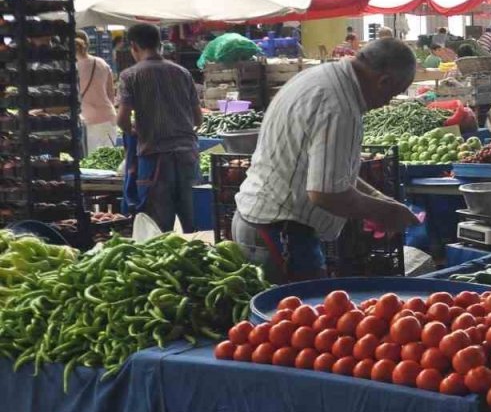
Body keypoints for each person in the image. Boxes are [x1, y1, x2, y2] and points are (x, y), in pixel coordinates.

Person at [233, 39, 419, 283]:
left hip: (259, 222)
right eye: (392, 94)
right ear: (383, 81)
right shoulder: (339, 106)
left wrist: (378, 197)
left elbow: (328, 173)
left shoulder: (320, 77)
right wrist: (386, 212)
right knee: (298, 307)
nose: (385, 103)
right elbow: (326, 193)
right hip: (279, 234)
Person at [116, 24, 202, 233]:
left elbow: (122, 120)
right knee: (195, 226)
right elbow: (198, 119)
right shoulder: (182, 72)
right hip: (187, 156)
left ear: (134, 46)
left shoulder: (130, 76)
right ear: (160, 44)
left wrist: (133, 130)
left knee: (158, 230)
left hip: (155, 159)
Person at [76, 31, 117, 153]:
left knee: (91, 162)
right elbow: (111, 94)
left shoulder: (72, 68)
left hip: (87, 121)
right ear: (88, 44)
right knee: (108, 160)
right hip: (108, 118)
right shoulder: (102, 63)